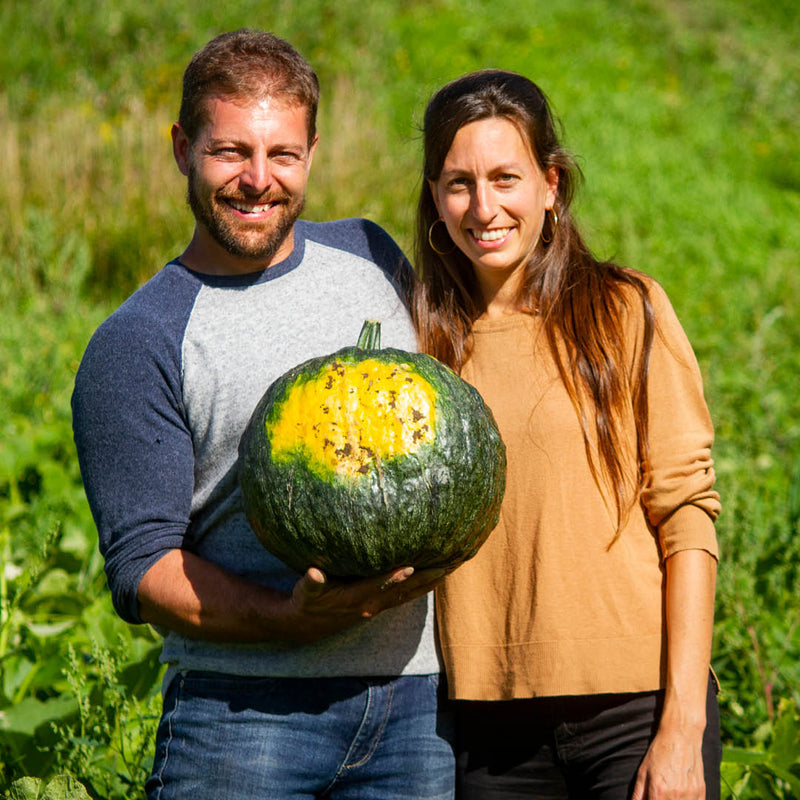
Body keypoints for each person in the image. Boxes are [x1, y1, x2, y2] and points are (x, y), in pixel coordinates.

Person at [71, 29, 454, 800]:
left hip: (415, 710)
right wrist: (290, 619)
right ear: (182, 148)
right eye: (229, 153)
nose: (257, 180)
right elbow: (144, 570)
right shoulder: (138, 340)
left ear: (312, 152)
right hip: (241, 720)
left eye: (282, 154)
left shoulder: (373, 258)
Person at [411, 69, 722, 799]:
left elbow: (686, 517)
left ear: (551, 184)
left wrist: (681, 730)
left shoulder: (626, 310)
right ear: (433, 196)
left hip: (636, 714)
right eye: (458, 183)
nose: (483, 207)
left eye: (506, 177)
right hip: (487, 734)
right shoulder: (420, 346)